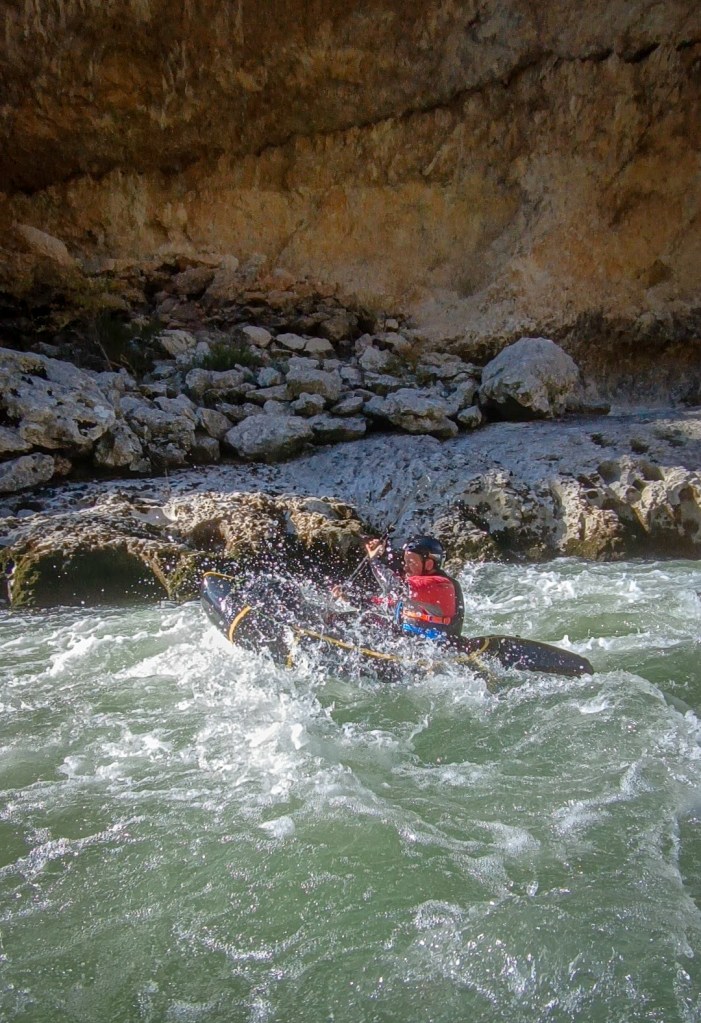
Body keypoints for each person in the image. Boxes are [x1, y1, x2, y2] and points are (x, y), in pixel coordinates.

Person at [335, 535, 464, 641]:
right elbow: (388, 605)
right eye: (405, 562)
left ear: (429, 564)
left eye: (410, 562)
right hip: (411, 641)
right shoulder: (416, 589)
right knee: (361, 618)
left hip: (434, 648)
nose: (405, 567)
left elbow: (395, 588)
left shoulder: (442, 585)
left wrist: (374, 560)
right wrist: (351, 599)